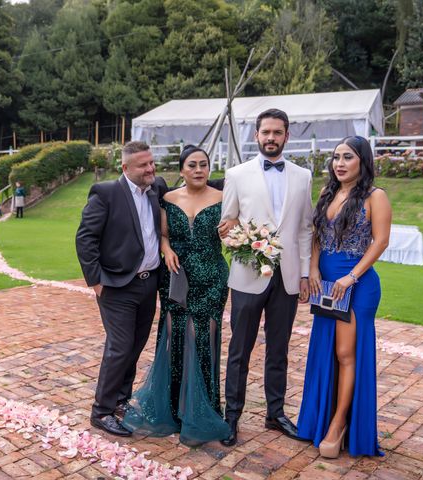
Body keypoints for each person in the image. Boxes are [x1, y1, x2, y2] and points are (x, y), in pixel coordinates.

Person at [122, 146, 232, 445]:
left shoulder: (224, 199)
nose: (199, 170)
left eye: (204, 165)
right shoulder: (168, 199)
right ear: (182, 170)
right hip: (176, 277)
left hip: (212, 277)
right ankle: (172, 408)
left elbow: (236, 231)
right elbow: (164, 235)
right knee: (174, 337)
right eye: (192, 165)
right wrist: (166, 249)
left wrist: (232, 227)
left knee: (205, 339)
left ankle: (206, 409)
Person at [219, 108, 313, 446]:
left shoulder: (303, 177)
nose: (271, 138)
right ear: (257, 136)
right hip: (247, 276)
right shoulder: (236, 174)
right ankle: (232, 417)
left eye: (277, 132)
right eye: (265, 132)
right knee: (239, 351)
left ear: (287, 136)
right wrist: (246, 246)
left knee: (279, 350)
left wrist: (303, 274)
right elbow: (226, 226)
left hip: (286, 279)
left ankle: (275, 414)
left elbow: (304, 229)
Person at [297, 136, 391, 458]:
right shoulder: (327, 193)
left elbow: (380, 242)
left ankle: (338, 425)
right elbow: (316, 237)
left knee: (345, 352)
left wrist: (351, 278)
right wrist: (313, 269)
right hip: (326, 286)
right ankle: (320, 418)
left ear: (362, 161)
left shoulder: (375, 197)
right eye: (336, 157)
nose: (339, 163)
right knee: (325, 351)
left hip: (358, 285)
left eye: (347, 157)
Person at [76, 141, 167, 437]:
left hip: (148, 283)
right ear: (125, 168)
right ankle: (101, 410)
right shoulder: (106, 193)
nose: (150, 169)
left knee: (135, 346)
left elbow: (193, 188)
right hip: (115, 286)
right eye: (143, 165)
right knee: (120, 347)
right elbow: (85, 239)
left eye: (151, 163)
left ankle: (121, 401)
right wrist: (96, 281)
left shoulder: (158, 188)